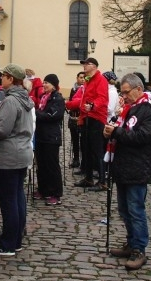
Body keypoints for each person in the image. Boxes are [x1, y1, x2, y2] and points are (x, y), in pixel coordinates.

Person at [104, 73, 151, 270]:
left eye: (126, 92)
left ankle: (139, 249)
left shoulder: (149, 112)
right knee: (124, 210)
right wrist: (110, 132)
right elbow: (121, 132)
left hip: (138, 167)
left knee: (136, 210)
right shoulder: (127, 110)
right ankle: (131, 242)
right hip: (122, 166)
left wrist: (116, 132)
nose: (123, 96)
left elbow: (141, 137)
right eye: (122, 92)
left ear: (138, 89)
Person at [0, 63, 35, 256]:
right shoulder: (22, 98)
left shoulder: (11, 101)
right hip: (19, 152)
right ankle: (16, 239)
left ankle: (8, 243)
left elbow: (3, 129)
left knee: (9, 201)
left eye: (4, 75)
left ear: (11, 79)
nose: (1, 78)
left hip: (8, 155)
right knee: (16, 198)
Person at [68, 57, 108, 189]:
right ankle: (89, 178)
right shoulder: (87, 81)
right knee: (87, 149)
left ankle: (102, 181)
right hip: (86, 117)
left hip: (96, 118)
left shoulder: (100, 79)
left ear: (94, 66)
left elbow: (102, 98)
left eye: (87, 64)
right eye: (84, 64)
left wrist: (93, 106)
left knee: (97, 150)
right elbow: (82, 99)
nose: (84, 66)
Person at [34, 74, 65, 205]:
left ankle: (55, 193)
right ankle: (43, 189)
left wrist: (35, 113)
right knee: (41, 165)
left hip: (51, 137)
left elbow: (53, 115)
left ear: (54, 85)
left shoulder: (57, 99)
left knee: (52, 165)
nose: (44, 85)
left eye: (47, 83)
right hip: (41, 135)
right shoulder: (43, 98)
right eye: (44, 83)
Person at [67, 71, 85, 170]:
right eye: (80, 77)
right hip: (74, 117)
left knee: (83, 140)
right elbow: (71, 101)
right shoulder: (73, 89)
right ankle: (76, 158)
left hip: (82, 117)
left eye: (83, 77)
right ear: (77, 78)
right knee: (74, 140)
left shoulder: (86, 89)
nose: (82, 79)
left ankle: (83, 160)